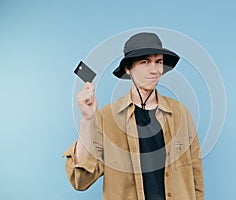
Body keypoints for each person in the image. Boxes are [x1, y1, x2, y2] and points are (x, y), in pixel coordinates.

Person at [63, 32, 204, 200]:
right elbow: (80, 181)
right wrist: (87, 120)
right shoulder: (106, 118)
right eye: (145, 62)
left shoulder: (181, 114)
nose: (154, 70)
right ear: (128, 69)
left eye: (158, 62)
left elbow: (196, 179)